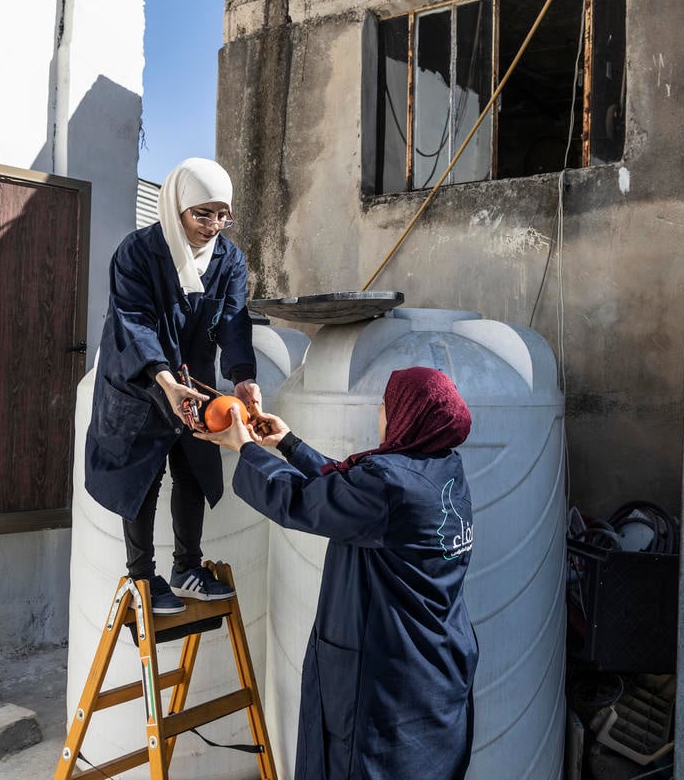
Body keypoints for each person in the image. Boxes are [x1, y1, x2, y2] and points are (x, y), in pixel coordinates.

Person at [198, 366, 478, 780]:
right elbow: (353, 488)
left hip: (385, 681)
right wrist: (289, 445)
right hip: (435, 669)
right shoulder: (443, 469)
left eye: (386, 404)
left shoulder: (389, 485)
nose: (380, 414)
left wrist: (246, 448)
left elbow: (303, 501)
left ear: (407, 414)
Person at [84, 157, 262, 615]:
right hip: (141, 380)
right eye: (203, 213)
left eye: (223, 214)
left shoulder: (230, 259)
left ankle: (187, 568)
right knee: (142, 475)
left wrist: (243, 379)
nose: (214, 225)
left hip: (194, 381)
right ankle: (142, 578)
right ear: (177, 205)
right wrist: (164, 379)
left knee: (193, 467)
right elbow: (133, 321)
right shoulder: (139, 251)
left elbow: (234, 324)